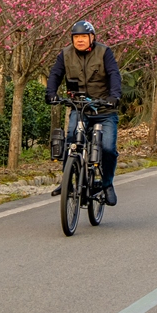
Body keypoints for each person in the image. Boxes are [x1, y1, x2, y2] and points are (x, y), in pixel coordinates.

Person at [46, 19, 123, 205]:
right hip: (79, 109)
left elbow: (114, 74)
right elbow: (55, 74)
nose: (80, 40)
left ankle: (106, 185)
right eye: (76, 37)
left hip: (104, 109)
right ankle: (67, 183)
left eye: (83, 36)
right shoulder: (65, 54)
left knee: (108, 149)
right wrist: (51, 93)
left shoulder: (104, 52)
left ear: (92, 38)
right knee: (71, 139)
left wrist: (114, 96)